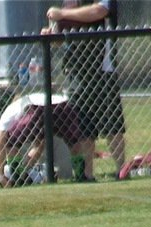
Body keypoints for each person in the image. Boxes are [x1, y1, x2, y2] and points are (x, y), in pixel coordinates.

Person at [44, 0, 128, 181]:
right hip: (77, 73)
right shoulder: (69, 3)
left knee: (112, 125)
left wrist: (62, 14)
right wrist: (51, 35)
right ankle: (86, 174)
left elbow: (99, 11)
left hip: (102, 71)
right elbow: (61, 38)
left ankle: (122, 171)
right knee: (83, 127)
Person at [0, 91, 84, 186]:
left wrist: (0, 175)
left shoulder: (8, 111)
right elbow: (40, 144)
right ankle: (81, 175)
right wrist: (27, 165)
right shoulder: (28, 98)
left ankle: (18, 177)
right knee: (73, 143)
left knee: (10, 143)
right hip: (65, 104)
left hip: (38, 108)